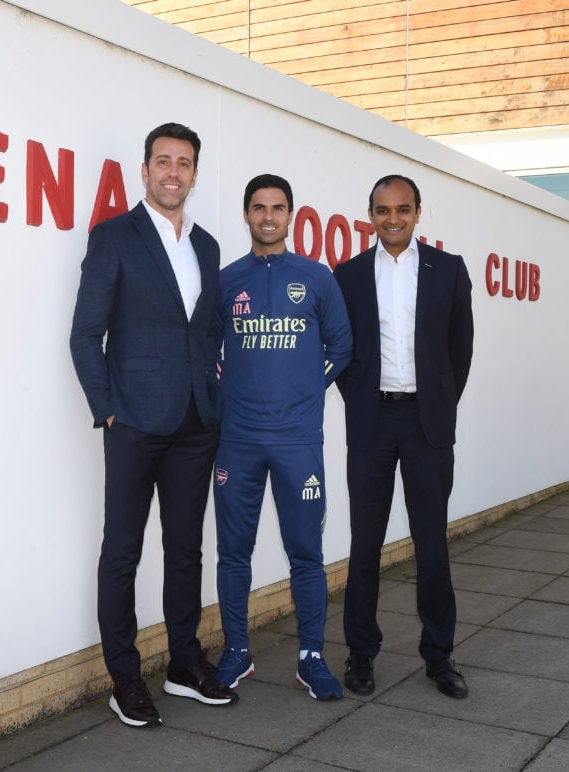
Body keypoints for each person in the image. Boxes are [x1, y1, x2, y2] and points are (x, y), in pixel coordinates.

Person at [69, 122, 236, 728]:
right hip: (134, 420)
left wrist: (211, 392)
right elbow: (86, 333)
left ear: (195, 173)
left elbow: (208, 329)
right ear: (145, 171)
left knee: (186, 549)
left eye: (184, 162)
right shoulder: (114, 237)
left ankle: (184, 665)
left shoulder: (208, 246)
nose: (173, 172)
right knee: (122, 551)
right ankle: (124, 677)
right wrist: (107, 407)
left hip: (196, 421)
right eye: (162, 161)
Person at [333, 174, 474, 699]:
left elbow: (460, 351)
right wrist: (362, 397)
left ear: (418, 213)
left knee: (432, 544)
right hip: (372, 425)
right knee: (365, 546)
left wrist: (436, 403)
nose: (393, 218)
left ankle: (439, 656)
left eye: (403, 209)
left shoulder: (448, 271)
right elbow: (341, 351)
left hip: (427, 427)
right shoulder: (346, 276)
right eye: (383, 210)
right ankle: (361, 654)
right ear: (370, 215)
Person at [213, 174, 352, 700]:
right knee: (233, 552)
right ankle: (236, 652)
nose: (268, 216)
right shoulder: (227, 281)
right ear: (246, 215)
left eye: (277, 208)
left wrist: (303, 390)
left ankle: (311, 658)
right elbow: (208, 354)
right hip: (239, 441)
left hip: (298, 442)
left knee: (306, 553)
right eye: (258, 207)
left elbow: (342, 346)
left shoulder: (316, 278)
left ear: (291, 216)